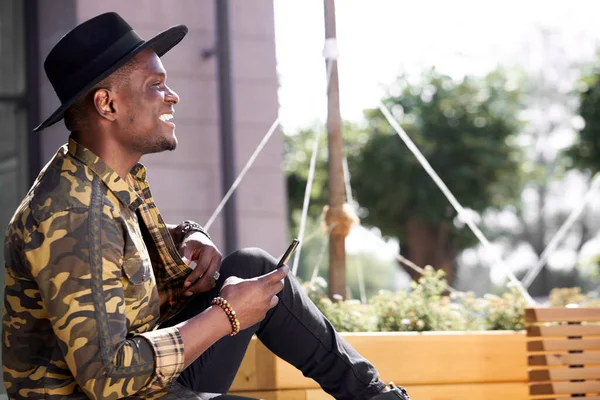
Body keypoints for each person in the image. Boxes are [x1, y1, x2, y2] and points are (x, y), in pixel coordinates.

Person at [1, 12, 410, 400]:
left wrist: (187, 235)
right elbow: (107, 377)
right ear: (108, 104)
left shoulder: (112, 180)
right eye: (155, 85)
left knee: (253, 266)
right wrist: (226, 315)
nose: (172, 96)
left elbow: (116, 254)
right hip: (114, 391)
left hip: (150, 386)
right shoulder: (72, 213)